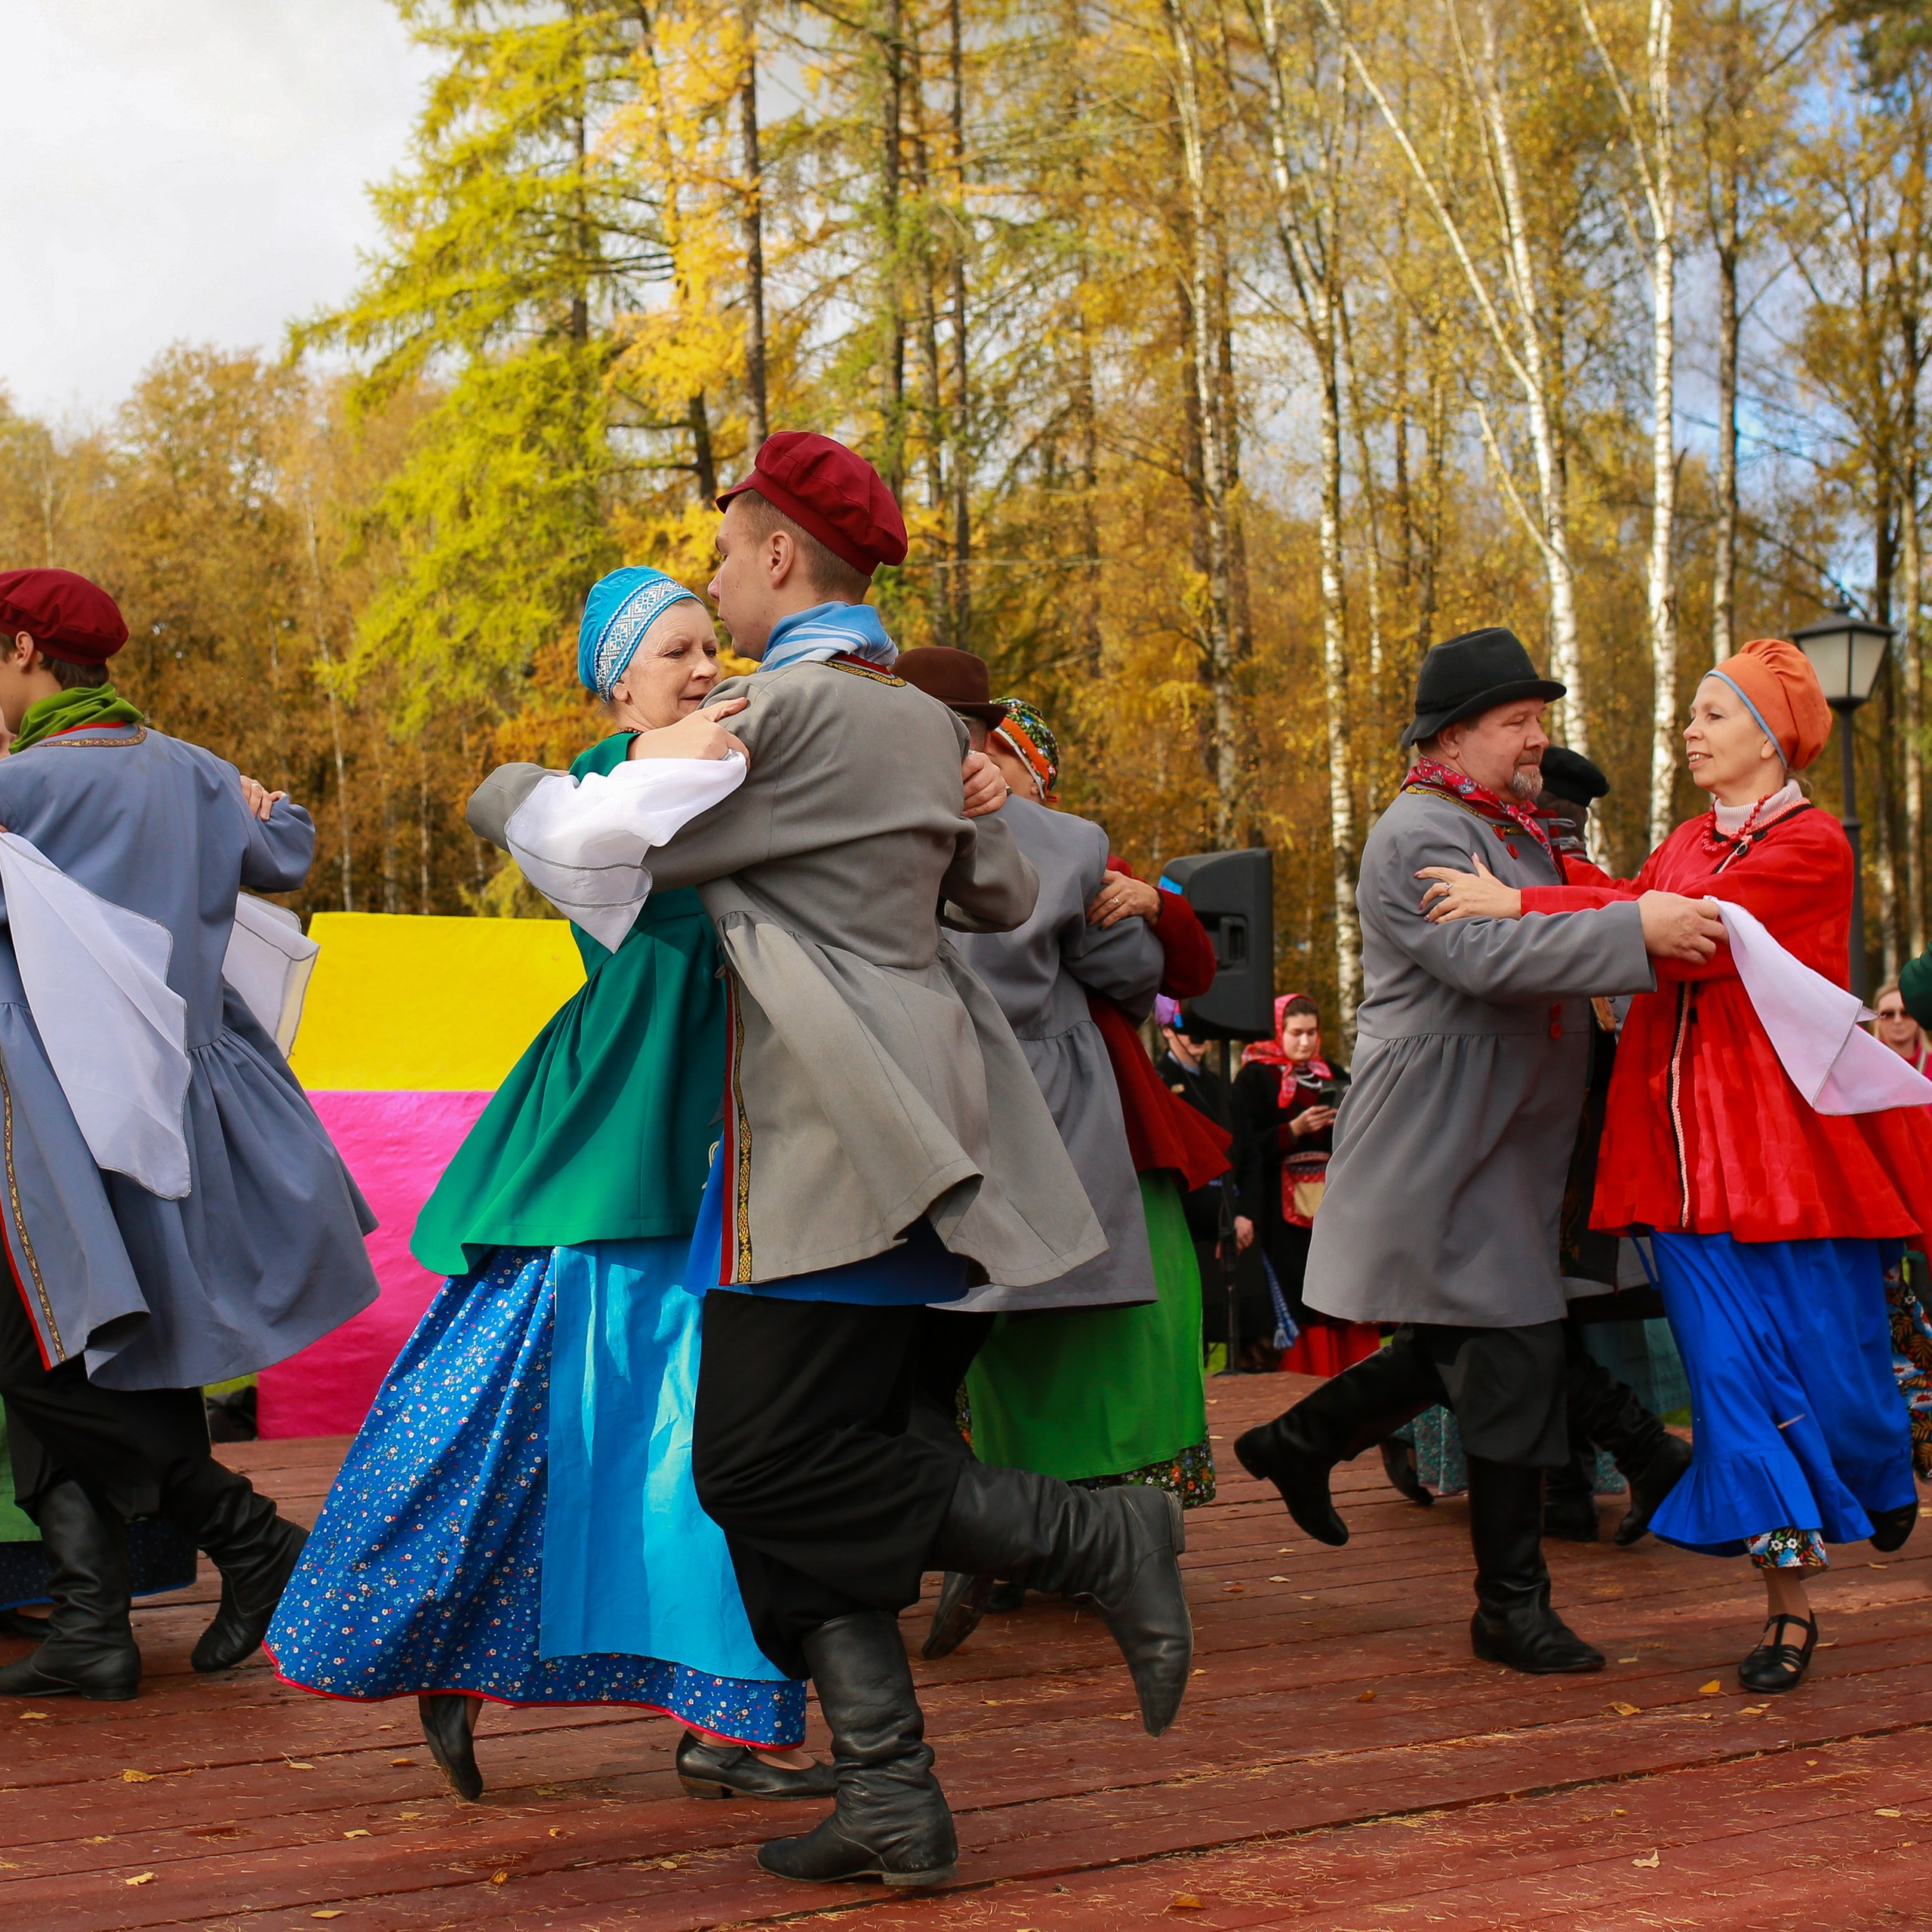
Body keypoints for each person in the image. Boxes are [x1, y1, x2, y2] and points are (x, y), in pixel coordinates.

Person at [468, 433, 1194, 1890]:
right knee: (814, 1474)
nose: (718, 586)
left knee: (758, 1464)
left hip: (827, 1146)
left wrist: (503, 790)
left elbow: (601, 850)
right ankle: (890, 1794)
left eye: (725, 556)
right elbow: (997, 886)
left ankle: (1094, 1537)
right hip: (894, 1139)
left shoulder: (787, 710)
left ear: (780, 554)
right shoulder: (913, 714)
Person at [267, 568, 830, 1806]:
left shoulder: (736, 759)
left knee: (704, 1429)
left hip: (732, 1128)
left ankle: (728, 1723)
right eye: (673, 653)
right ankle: (442, 1650)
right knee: (508, 1410)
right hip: (621, 1121)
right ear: (617, 685)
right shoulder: (605, 790)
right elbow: (569, 813)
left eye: (709, 645)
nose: (704, 669)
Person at [1420, 635, 1927, 1691]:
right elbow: (1628, 897)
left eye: (1711, 713)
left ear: (1770, 737)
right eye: (1692, 713)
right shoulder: (1688, 840)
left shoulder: (1813, 847)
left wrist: (1521, 903)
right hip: (1682, 1181)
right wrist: (1537, 855)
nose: (1688, 731)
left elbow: (1691, 935)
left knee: (1842, 1381)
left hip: (1790, 1170)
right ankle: (1787, 1610)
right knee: (1735, 1395)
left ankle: (1880, 1464)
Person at [1232, 626, 1724, 1675]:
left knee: (1480, 1343)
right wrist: (1637, 930)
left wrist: (1636, 915)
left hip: (1499, 1142)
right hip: (1445, 1139)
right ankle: (1510, 1604)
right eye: (1518, 721)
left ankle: (1299, 1444)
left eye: (1538, 719)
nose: (1537, 738)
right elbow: (1488, 953)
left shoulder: (1509, 830)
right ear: (1453, 736)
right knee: (1512, 1352)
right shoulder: (1419, 830)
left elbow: (1555, 911)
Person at [0, 568, 378, 1702]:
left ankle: (248, 1537)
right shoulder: (191, 770)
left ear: (25, 650)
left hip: (51, 1127)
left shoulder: (20, 790)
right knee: (123, 1347)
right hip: (175, 1109)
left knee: (37, 1351)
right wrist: (256, 797)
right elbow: (287, 851)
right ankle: (92, 1622)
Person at [888, 663, 1226, 1655]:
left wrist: (1156, 907)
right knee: (1054, 1352)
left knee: (947, 1356)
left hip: (932, 1124)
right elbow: (1139, 974)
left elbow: (1172, 965)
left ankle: (997, 1538)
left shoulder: (860, 825)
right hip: (1061, 1132)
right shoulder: (1065, 848)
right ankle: (1045, 1537)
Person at [1231, 994, 1376, 1377]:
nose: (1306, 1042)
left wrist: (1341, 1126)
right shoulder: (1255, 1077)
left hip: (1332, 1208)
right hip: (1280, 1219)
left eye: (1312, 1033)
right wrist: (1292, 1130)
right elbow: (1242, 1147)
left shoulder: (1334, 1074)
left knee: (1337, 1285)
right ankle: (1300, 1376)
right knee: (1298, 1289)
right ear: (1279, 1032)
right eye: (1296, 1033)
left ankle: (1347, 1373)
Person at [1874, 981, 1931, 1073]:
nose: (1898, 1020)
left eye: (1906, 1013)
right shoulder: (1864, 1064)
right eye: (1888, 1014)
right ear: (1877, 1020)